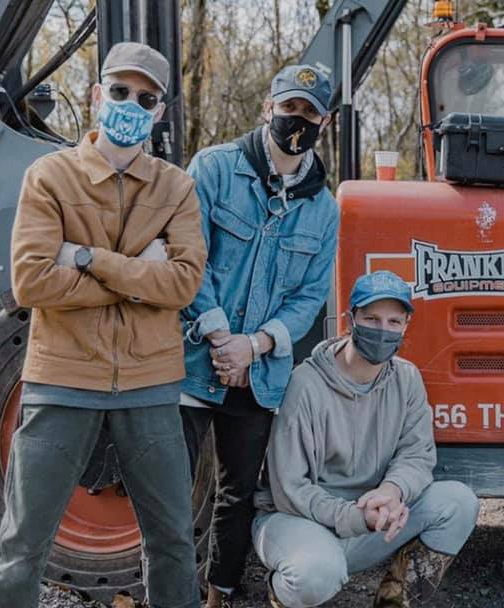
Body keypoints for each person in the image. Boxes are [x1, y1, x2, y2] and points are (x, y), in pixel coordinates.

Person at [0, 42, 207, 608]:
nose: (131, 103)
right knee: (22, 542)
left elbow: (182, 285)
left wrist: (86, 257)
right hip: (62, 380)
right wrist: (139, 272)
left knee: (174, 541)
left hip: (150, 386)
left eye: (146, 97)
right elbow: (32, 283)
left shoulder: (176, 187)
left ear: (159, 112)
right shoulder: (50, 177)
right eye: (120, 91)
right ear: (95, 94)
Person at [181, 64, 339, 607]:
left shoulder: (325, 208)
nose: (297, 120)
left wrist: (257, 345)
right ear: (267, 109)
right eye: (289, 108)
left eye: (310, 113)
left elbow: (309, 298)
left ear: (325, 121)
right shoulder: (214, 169)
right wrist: (221, 334)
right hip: (192, 359)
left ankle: (219, 590)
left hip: (260, 371)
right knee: (169, 488)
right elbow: (188, 258)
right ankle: (163, 590)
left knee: (238, 491)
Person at [252, 271, 480, 608]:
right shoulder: (305, 384)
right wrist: (358, 517)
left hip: (369, 517)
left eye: (393, 321)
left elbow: (416, 454)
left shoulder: (407, 378)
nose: (382, 330)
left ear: (406, 326)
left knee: (458, 502)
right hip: (298, 520)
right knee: (316, 574)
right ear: (351, 319)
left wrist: (392, 491)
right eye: (371, 318)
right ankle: (283, 594)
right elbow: (290, 490)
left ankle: (394, 599)